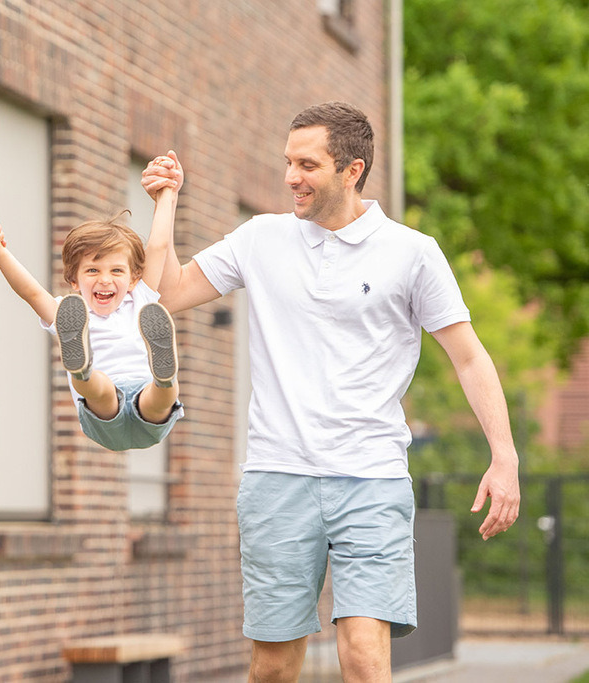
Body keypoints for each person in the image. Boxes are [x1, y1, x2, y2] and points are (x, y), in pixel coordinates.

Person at [141, 103, 520, 682]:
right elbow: (165, 291)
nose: (291, 176)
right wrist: (166, 202)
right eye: (288, 162)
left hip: (371, 478)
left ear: (352, 170)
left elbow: (469, 356)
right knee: (273, 664)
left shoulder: (413, 253)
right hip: (277, 477)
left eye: (307, 164)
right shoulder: (261, 238)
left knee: (363, 655)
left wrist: (504, 455)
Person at [0, 183, 184, 452]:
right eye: (93, 270)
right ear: (74, 280)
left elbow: (158, 246)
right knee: (103, 390)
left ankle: (164, 375)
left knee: (160, 395)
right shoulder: (71, 314)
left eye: (116, 271)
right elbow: (32, 293)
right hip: (103, 413)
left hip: (146, 396)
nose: (105, 280)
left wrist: (167, 193)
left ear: (133, 278)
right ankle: (82, 369)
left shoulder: (140, 297)